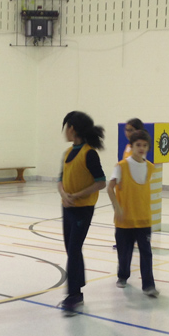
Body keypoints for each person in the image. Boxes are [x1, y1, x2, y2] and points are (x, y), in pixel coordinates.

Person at [58, 111, 106, 315]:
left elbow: (101, 182)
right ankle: (79, 285)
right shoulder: (68, 153)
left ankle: (74, 294)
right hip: (67, 207)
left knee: (75, 249)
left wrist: (77, 195)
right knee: (71, 249)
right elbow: (60, 179)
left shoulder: (89, 153)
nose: (64, 131)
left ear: (73, 128)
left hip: (83, 210)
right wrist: (64, 193)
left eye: (66, 126)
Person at [108, 129, 159, 298]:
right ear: (132, 146)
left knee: (146, 252)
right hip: (125, 220)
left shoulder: (150, 167)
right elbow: (110, 187)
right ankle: (122, 276)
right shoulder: (122, 166)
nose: (142, 148)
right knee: (125, 252)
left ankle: (149, 285)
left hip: (144, 219)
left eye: (145, 145)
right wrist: (117, 207)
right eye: (138, 145)